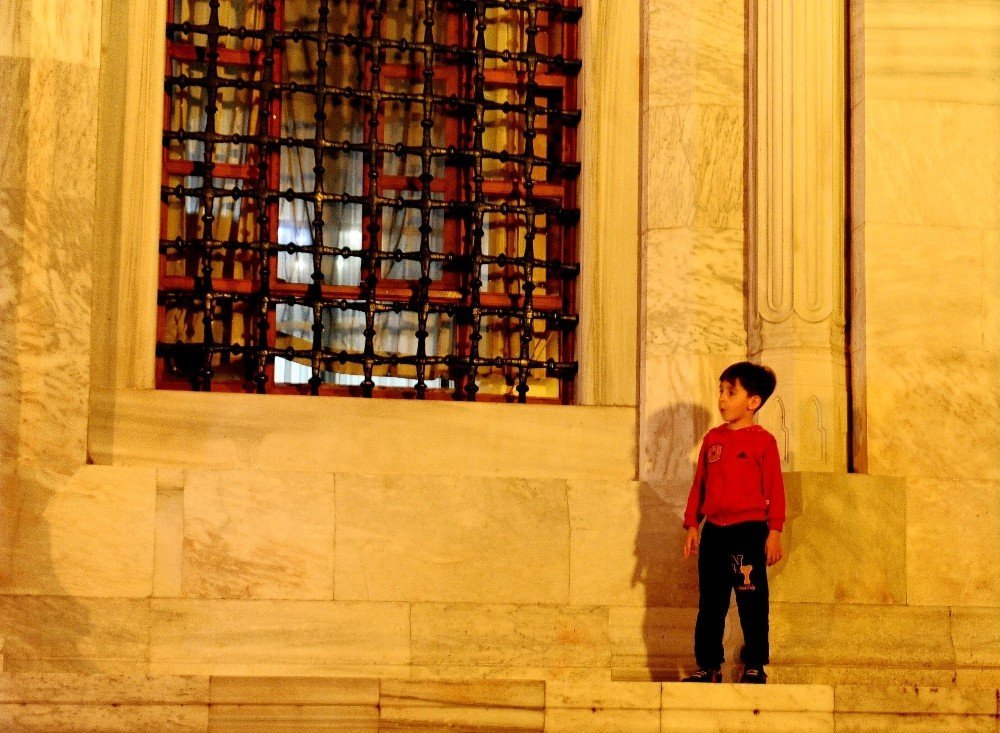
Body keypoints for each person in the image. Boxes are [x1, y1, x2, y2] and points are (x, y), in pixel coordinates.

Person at [680, 361, 785, 684]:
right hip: (715, 532)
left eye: (731, 392)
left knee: (752, 600)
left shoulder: (763, 442)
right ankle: (708, 666)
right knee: (711, 603)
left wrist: (775, 532)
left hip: (749, 531)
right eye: (720, 391)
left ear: (753, 402)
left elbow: (775, 489)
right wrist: (693, 525)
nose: (722, 399)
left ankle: (755, 662)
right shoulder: (713, 439)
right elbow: (700, 485)